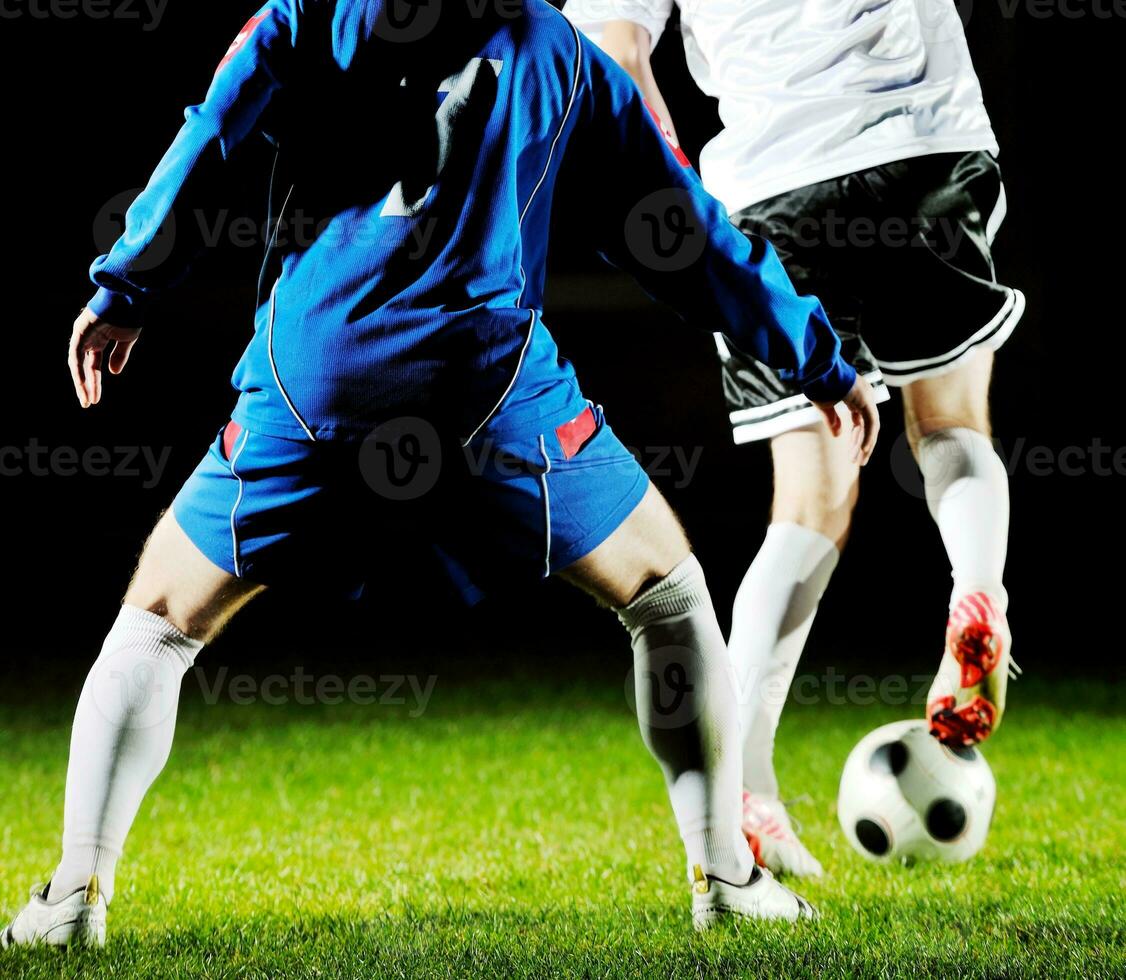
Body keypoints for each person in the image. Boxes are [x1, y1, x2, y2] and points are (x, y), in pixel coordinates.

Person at [3, 0, 879, 947]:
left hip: (314, 377)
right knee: (668, 595)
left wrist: (124, 285)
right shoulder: (561, 50)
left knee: (163, 618)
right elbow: (683, 235)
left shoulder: (301, 16)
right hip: (488, 388)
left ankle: (73, 899)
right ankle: (725, 877)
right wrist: (814, 356)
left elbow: (209, 137)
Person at [565, 0, 1021, 878]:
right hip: (924, 142)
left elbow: (614, 52)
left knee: (806, 501)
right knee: (952, 423)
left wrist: (679, 193)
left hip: (774, 185)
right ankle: (979, 591)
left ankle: (748, 783)